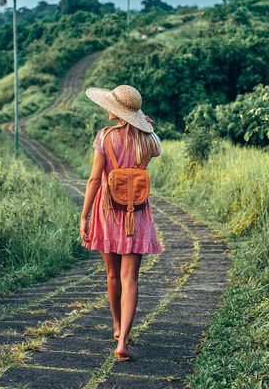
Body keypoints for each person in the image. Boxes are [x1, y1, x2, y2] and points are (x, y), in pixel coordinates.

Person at [80, 84, 163, 362]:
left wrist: (84, 215)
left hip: (107, 209)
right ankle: (123, 341)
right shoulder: (147, 140)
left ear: (117, 111)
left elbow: (94, 180)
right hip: (136, 212)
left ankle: (116, 326)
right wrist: (147, 126)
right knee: (131, 278)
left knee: (112, 275)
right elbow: (159, 148)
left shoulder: (104, 137)